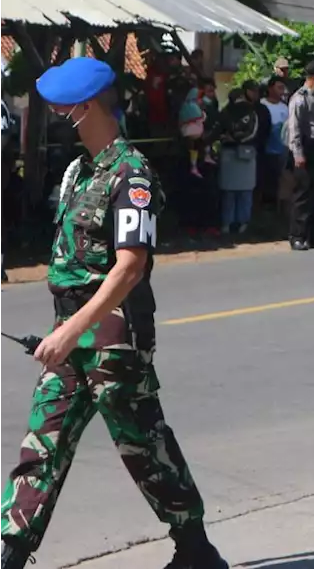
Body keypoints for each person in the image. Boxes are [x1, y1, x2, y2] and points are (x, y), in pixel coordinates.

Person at [0, 57, 227, 569]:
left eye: (64, 108)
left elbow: (129, 269)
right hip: (70, 329)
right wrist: (65, 332)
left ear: (87, 108)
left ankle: (195, 547)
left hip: (113, 334)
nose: (58, 116)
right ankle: (10, 551)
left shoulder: (132, 173)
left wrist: (72, 331)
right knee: (43, 443)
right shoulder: (79, 171)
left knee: (141, 446)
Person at [285, 60, 314, 251]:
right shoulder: (300, 98)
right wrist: (298, 154)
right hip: (306, 149)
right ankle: (297, 236)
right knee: (303, 195)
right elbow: (294, 128)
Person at [217, 89, 259, 235]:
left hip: (245, 153)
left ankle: (241, 223)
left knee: (244, 191)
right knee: (231, 191)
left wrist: (234, 139)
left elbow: (253, 131)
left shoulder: (250, 112)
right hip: (230, 153)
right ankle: (229, 223)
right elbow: (219, 131)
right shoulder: (225, 112)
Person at [261, 76, 290, 205]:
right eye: (279, 87)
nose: (282, 91)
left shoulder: (285, 108)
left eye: (283, 88)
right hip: (265, 148)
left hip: (282, 149)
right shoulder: (262, 105)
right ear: (270, 88)